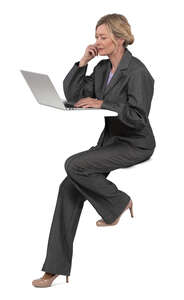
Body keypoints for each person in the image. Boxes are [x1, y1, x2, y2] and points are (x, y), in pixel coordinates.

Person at [32, 13, 156, 288]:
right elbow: (75, 95)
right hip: (111, 141)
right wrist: (83, 62)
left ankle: (119, 202)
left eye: (103, 37)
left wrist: (103, 104)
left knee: (73, 165)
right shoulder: (101, 69)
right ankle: (55, 268)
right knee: (68, 189)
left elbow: (138, 116)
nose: (97, 42)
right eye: (96, 36)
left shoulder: (137, 71)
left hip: (136, 142)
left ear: (119, 39)